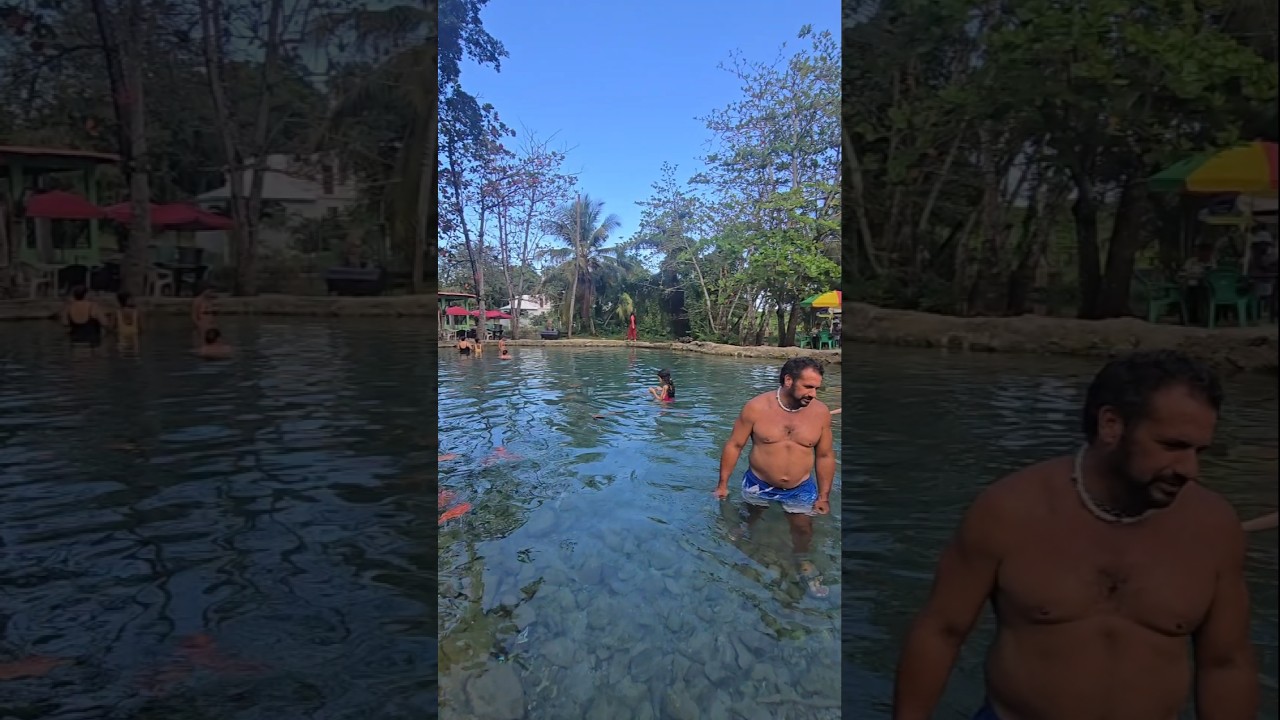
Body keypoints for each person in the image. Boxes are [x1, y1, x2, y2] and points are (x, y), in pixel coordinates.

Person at [893, 350, 1256, 720]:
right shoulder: (1010, 511)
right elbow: (941, 632)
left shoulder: (1213, 527)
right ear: (1111, 424)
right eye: (1172, 446)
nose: (1190, 469)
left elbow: (1225, 663)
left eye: (1199, 451)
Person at [716, 357, 836, 597]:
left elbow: (824, 456)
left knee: (803, 528)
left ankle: (802, 560)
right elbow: (734, 445)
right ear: (788, 380)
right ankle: (743, 530)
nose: (813, 394)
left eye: (817, 388)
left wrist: (823, 496)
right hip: (758, 483)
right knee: (751, 514)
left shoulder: (820, 413)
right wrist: (722, 485)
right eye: (808, 387)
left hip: (800, 486)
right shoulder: (756, 408)